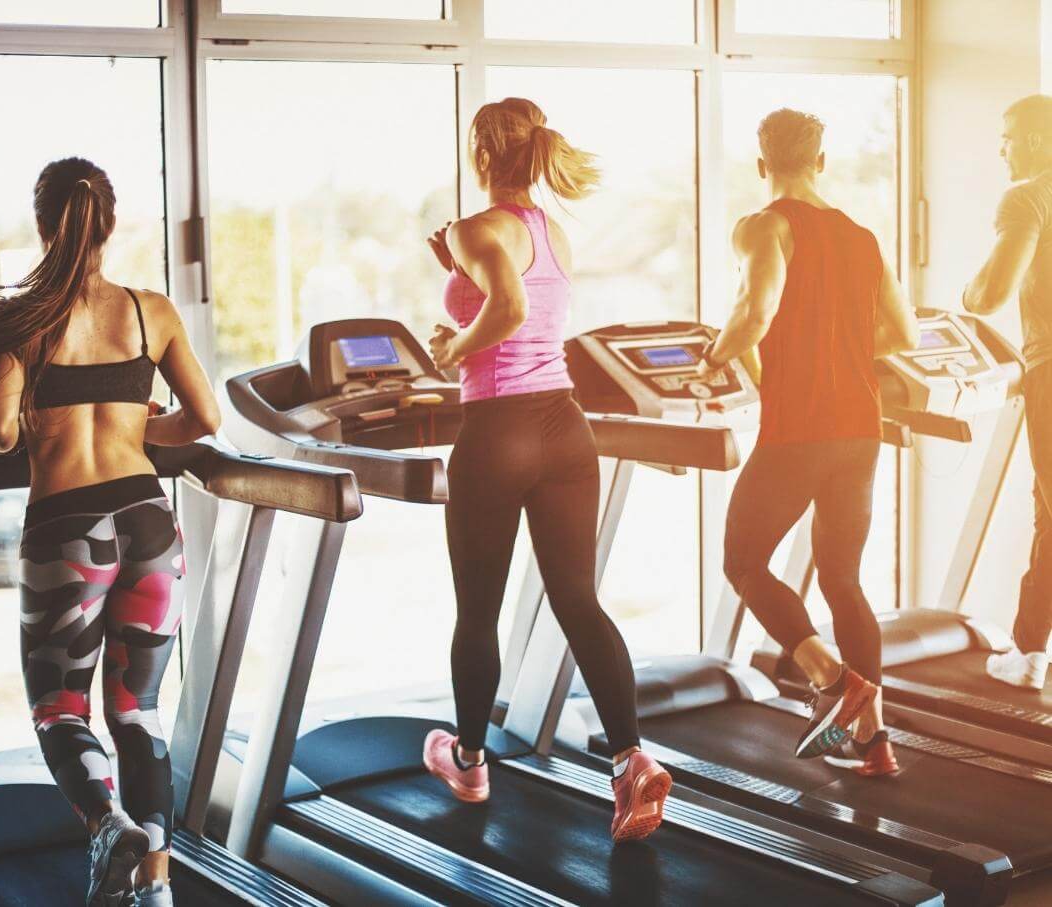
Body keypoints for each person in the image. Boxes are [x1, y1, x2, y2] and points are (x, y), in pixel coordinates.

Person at [421, 98, 671, 842]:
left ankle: (467, 760)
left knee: (478, 609)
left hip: (499, 429)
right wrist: (457, 269)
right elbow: (522, 300)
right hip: (566, 427)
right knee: (578, 600)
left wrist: (451, 349)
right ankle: (630, 758)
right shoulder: (551, 231)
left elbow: (505, 308)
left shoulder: (476, 226)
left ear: (480, 151)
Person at [0, 158, 221, 906]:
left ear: (44, 224)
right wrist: (141, 434)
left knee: (61, 709)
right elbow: (205, 420)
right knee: (136, 710)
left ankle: (108, 824)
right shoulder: (152, 310)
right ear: (107, 226)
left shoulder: (19, 318)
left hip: (66, 528)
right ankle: (156, 882)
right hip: (148, 521)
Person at [696, 109, 919, 776]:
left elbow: (756, 310)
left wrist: (714, 355)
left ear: (762, 164)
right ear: (822, 161)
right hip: (860, 428)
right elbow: (902, 333)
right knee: (843, 579)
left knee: (742, 559)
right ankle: (875, 744)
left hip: (800, 428)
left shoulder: (767, 224)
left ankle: (831, 678)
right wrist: (840, 343)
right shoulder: (862, 236)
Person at [965, 94, 1052, 691]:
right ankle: (1029, 651)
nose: (1002, 148)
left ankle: (1029, 652)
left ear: (1038, 142)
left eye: (1009, 136)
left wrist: (968, 296)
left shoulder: (1027, 197)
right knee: (1046, 510)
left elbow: (992, 291)